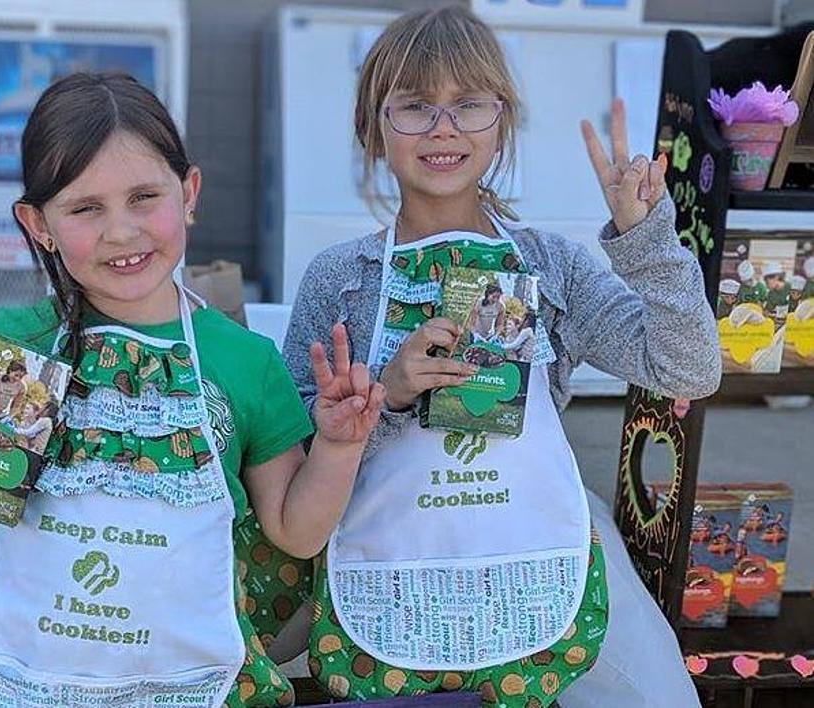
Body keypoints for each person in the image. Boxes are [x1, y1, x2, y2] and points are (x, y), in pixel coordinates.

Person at [0, 72, 385, 708]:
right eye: (84, 207)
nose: (121, 232)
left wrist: (340, 447)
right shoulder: (20, 344)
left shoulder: (244, 360)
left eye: (143, 197)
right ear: (37, 222)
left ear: (189, 194)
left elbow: (296, 531)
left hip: (190, 684)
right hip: (29, 681)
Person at [282, 7, 719, 707]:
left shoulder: (552, 266)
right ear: (373, 129)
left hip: (537, 538)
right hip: (380, 544)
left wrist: (648, 241)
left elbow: (688, 368)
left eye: (468, 105)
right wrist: (385, 396)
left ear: (503, 122)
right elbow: (289, 449)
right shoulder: (340, 278)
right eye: (415, 106)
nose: (443, 128)